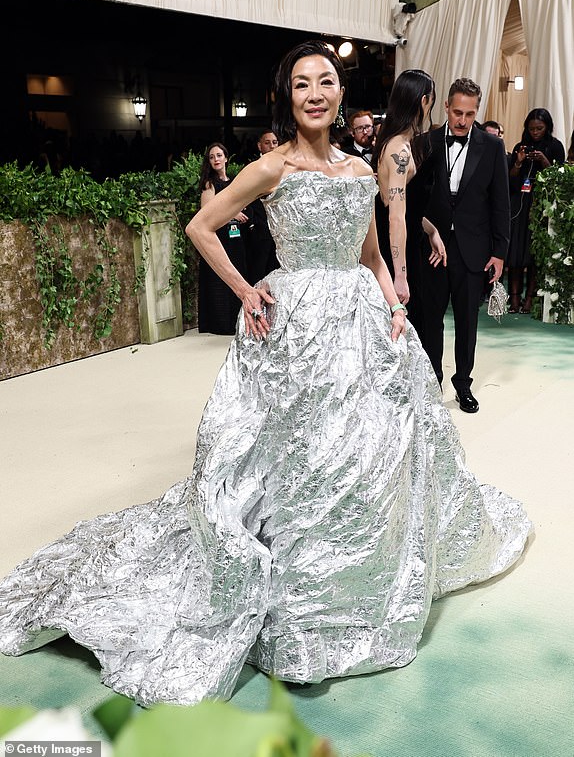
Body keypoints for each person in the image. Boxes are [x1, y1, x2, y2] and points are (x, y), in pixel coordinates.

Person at [0, 42, 531, 708]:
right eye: (302, 83)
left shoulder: (360, 167)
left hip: (359, 327)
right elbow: (202, 226)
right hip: (295, 330)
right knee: (298, 463)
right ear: (288, 97)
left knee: (364, 459)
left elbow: (367, 254)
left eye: (327, 81)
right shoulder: (270, 166)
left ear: (341, 94)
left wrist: (393, 305)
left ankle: (346, 594)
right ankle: (300, 623)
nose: (315, 92)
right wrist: (247, 289)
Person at [418, 78, 510, 413]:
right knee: (431, 320)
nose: (462, 120)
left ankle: (463, 385)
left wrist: (499, 253)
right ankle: (431, 386)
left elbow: (501, 202)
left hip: (474, 249)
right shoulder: (426, 142)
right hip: (432, 247)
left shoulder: (492, 146)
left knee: (467, 323)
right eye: (457, 112)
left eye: (470, 114)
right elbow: (415, 199)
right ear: (446, 107)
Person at [372, 68, 445, 320]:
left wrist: (431, 230)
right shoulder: (399, 150)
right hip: (395, 251)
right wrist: (400, 275)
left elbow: (400, 207)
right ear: (424, 100)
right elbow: (395, 216)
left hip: (401, 244)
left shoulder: (393, 142)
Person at [507, 109, 566, 313]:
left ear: (547, 127)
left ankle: (529, 299)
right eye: (531, 128)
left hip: (541, 204)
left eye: (539, 128)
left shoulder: (555, 146)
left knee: (534, 254)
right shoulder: (520, 146)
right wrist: (519, 161)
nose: (535, 132)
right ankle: (514, 298)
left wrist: (543, 160)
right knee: (515, 252)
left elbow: (558, 178)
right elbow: (511, 178)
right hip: (520, 204)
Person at [196, 142, 249, 334]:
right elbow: (206, 214)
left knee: (237, 273)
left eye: (219, 155)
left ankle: (237, 321)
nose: (216, 160)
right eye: (211, 157)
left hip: (236, 237)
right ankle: (220, 324)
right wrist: (233, 214)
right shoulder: (210, 184)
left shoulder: (233, 181)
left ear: (226, 158)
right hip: (218, 238)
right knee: (219, 278)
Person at [243, 130, 280, 284]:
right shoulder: (252, 168)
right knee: (258, 275)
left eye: (275, 142)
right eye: (267, 142)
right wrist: (253, 224)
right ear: (259, 146)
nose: (272, 146)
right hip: (259, 232)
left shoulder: (285, 168)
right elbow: (246, 197)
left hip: (280, 233)